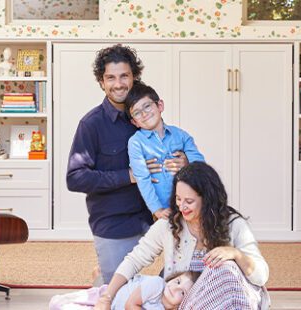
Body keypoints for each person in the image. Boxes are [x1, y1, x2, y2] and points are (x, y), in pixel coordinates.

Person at [66, 44, 188, 285]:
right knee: (117, 289)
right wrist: (129, 176)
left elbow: (169, 154)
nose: (118, 83)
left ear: (134, 77)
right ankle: (103, 276)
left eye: (124, 76)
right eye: (110, 78)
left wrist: (184, 162)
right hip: (116, 221)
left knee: (184, 273)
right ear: (102, 82)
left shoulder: (145, 115)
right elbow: (75, 178)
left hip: (158, 214)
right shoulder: (91, 124)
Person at [95, 162, 270, 310]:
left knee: (226, 267)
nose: (182, 206)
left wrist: (235, 254)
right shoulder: (169, 225)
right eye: (178, 199)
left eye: (189, 201)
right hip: (187, 304)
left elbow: (261, 275)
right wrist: (107, 297)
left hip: (230, 299)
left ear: (207, 199)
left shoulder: (234, 225)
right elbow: (135, 259)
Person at [125, 82, 205, 220]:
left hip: (190, 206)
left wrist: (187, 163)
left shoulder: (180, 135)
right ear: (134, 122)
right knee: (166, 240)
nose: (144, 114)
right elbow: (142, 178)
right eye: (137, 113)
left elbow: (201, 166)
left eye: (147, 106)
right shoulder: (136, 142)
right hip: (163, 210)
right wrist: (157, 209)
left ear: (160, 106)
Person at [49, 271, 200, 310]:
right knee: (57, 304)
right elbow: (131, 305)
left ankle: (99, 275)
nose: (175, 288)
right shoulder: (157, 284)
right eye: (178, 281)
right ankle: (99, 274)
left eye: (183, 292)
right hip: (106, 297)